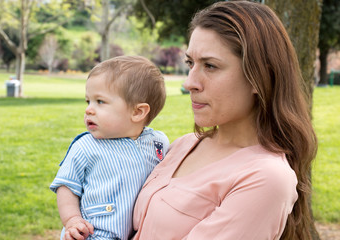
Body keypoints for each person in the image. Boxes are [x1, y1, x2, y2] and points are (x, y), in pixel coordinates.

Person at [132, 1, 317, 240]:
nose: (189, 83)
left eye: (210, 66)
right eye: (190, 63)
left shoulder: (266, 178)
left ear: (258, 76)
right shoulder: (184, 145)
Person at [50, 55, 169, 240]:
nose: (89, 109)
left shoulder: (157, 143)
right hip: (93, 233)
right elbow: (66, 186)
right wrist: (73, 220)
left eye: (100, 102)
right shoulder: (86, 146)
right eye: (88, 101)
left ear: (137, 112)